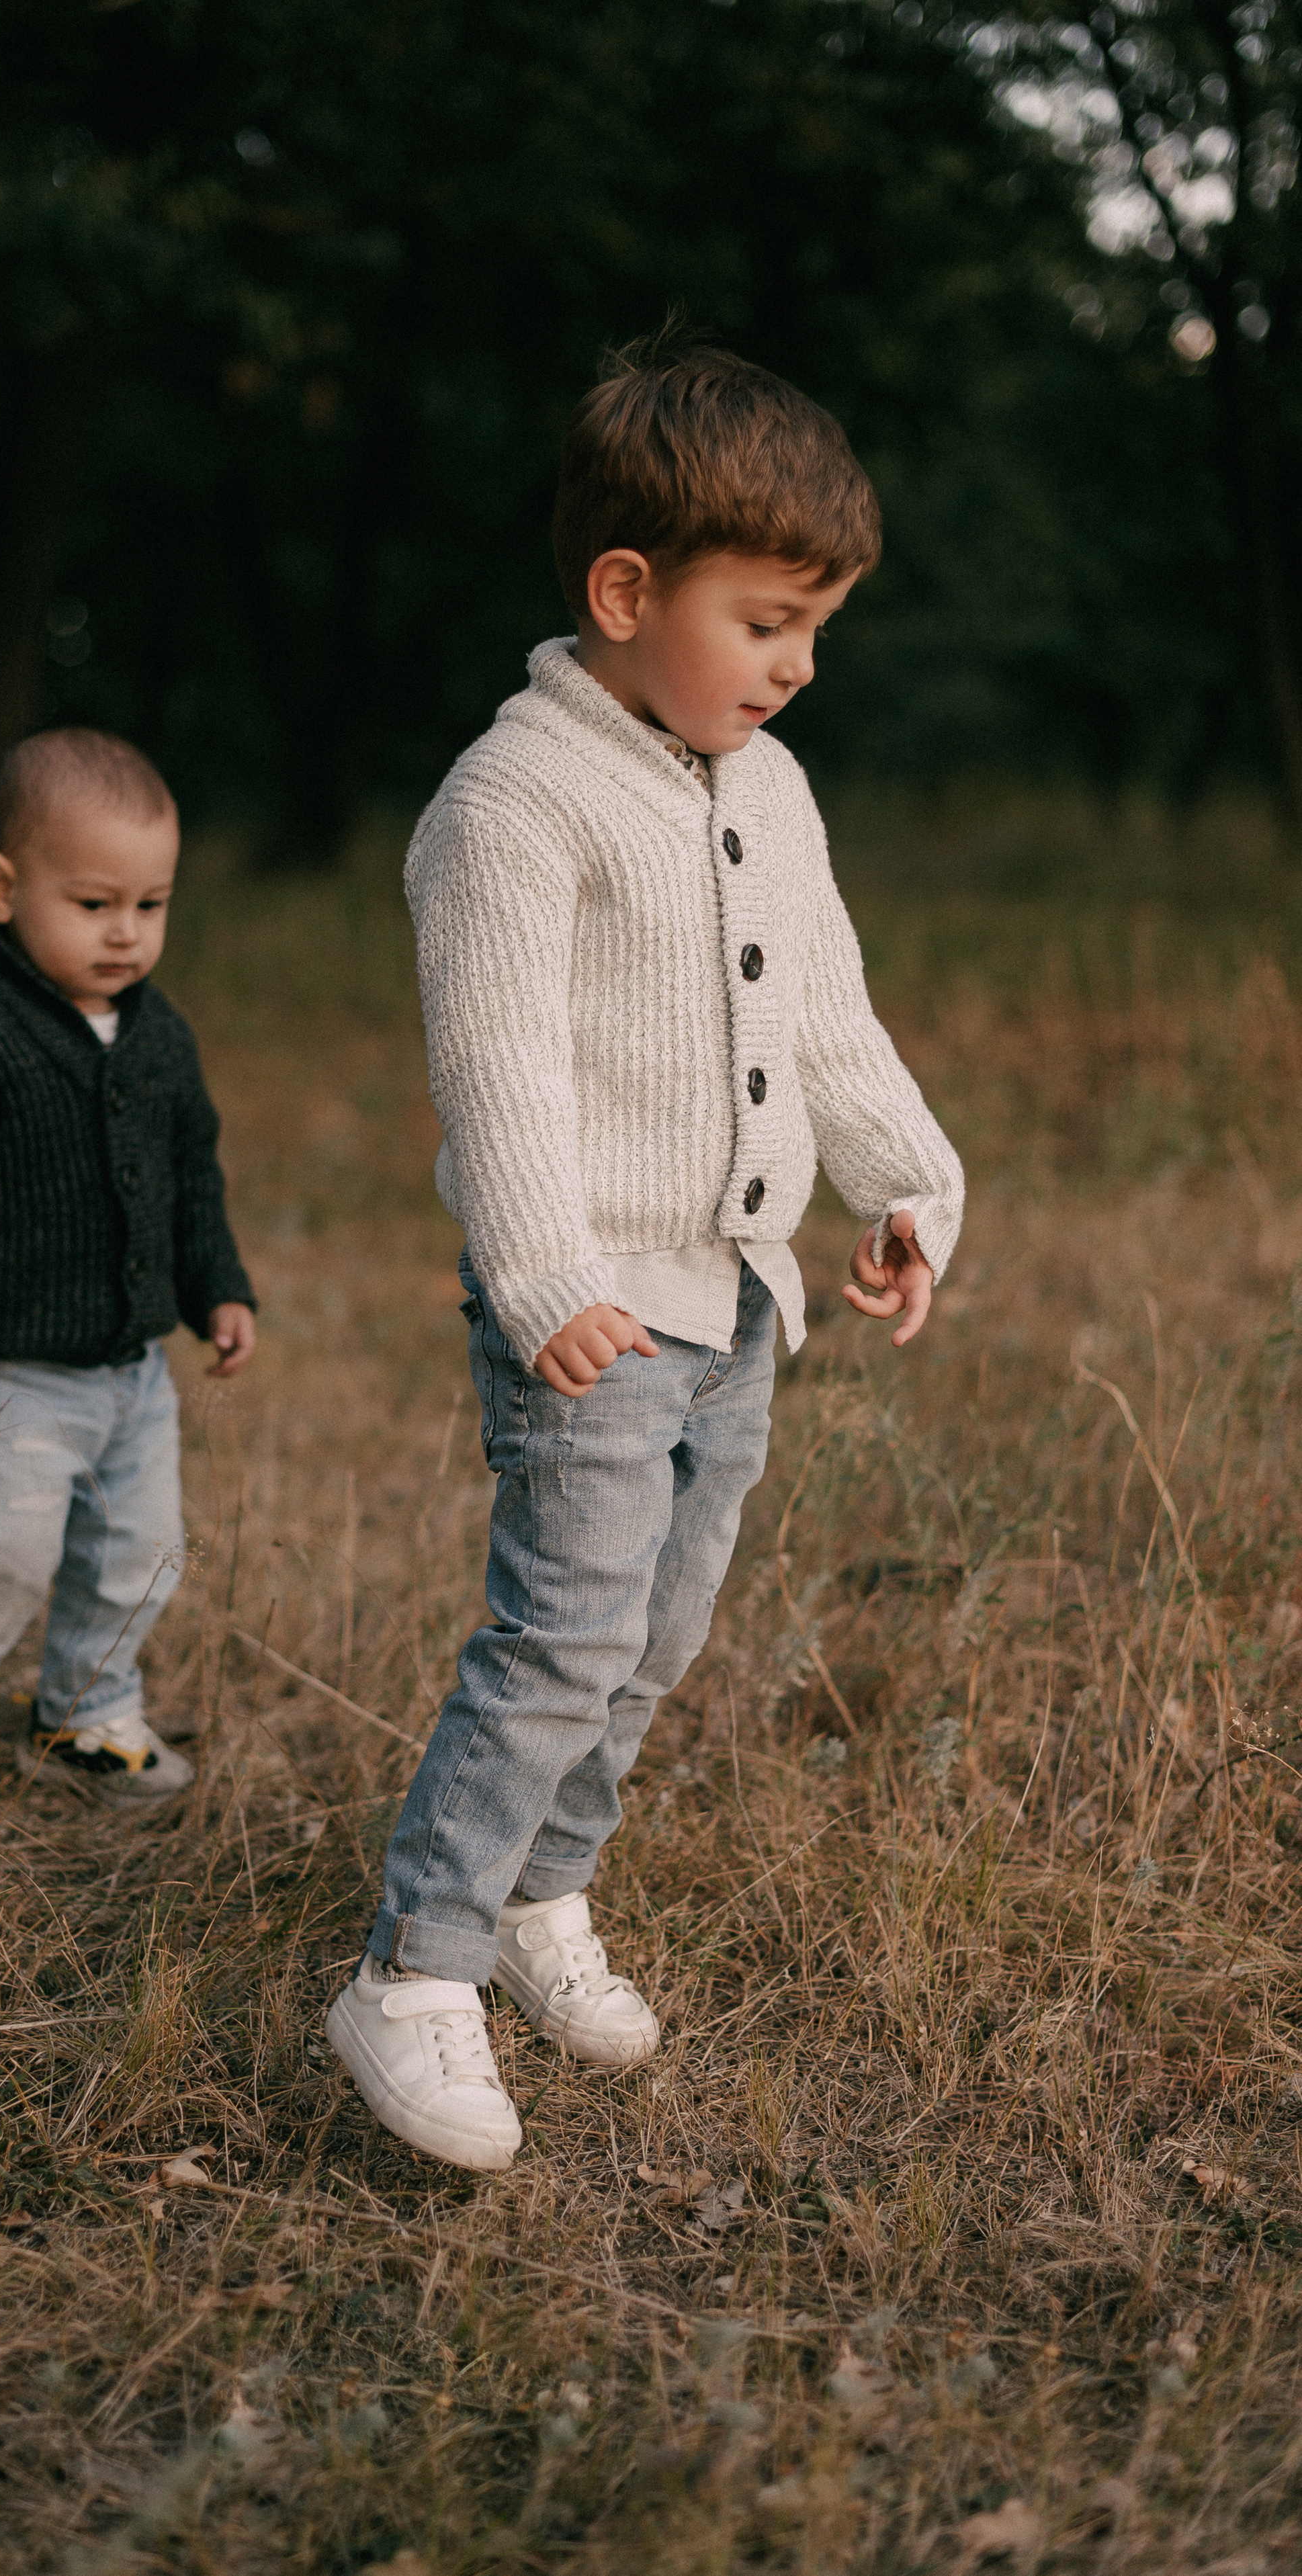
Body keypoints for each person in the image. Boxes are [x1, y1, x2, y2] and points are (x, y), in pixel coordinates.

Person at [325, 333, 965, 2170]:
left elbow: (830, 1013)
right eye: (767, 620)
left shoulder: (765, 788)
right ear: (627, 590)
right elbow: (499, 1065)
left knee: (661, 1631)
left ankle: (542, 1896)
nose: (798, 665)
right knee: (566, 1625)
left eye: (816, 628)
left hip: (738, 1301)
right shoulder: (512, 804)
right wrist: (541, 1279)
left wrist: (909, 1186)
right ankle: (415, 1967)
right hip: (593, 1310)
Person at [0, 727, 255, 1819]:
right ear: (2, 887)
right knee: (3, 1546)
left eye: (152, 904)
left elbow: (190, 1172)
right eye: (93, 905)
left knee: (143, 1550)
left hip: (132, 1372)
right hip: (8, 1368)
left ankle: (85, 1708)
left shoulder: (159, 1036)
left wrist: (215, 1282)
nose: (127, 933)